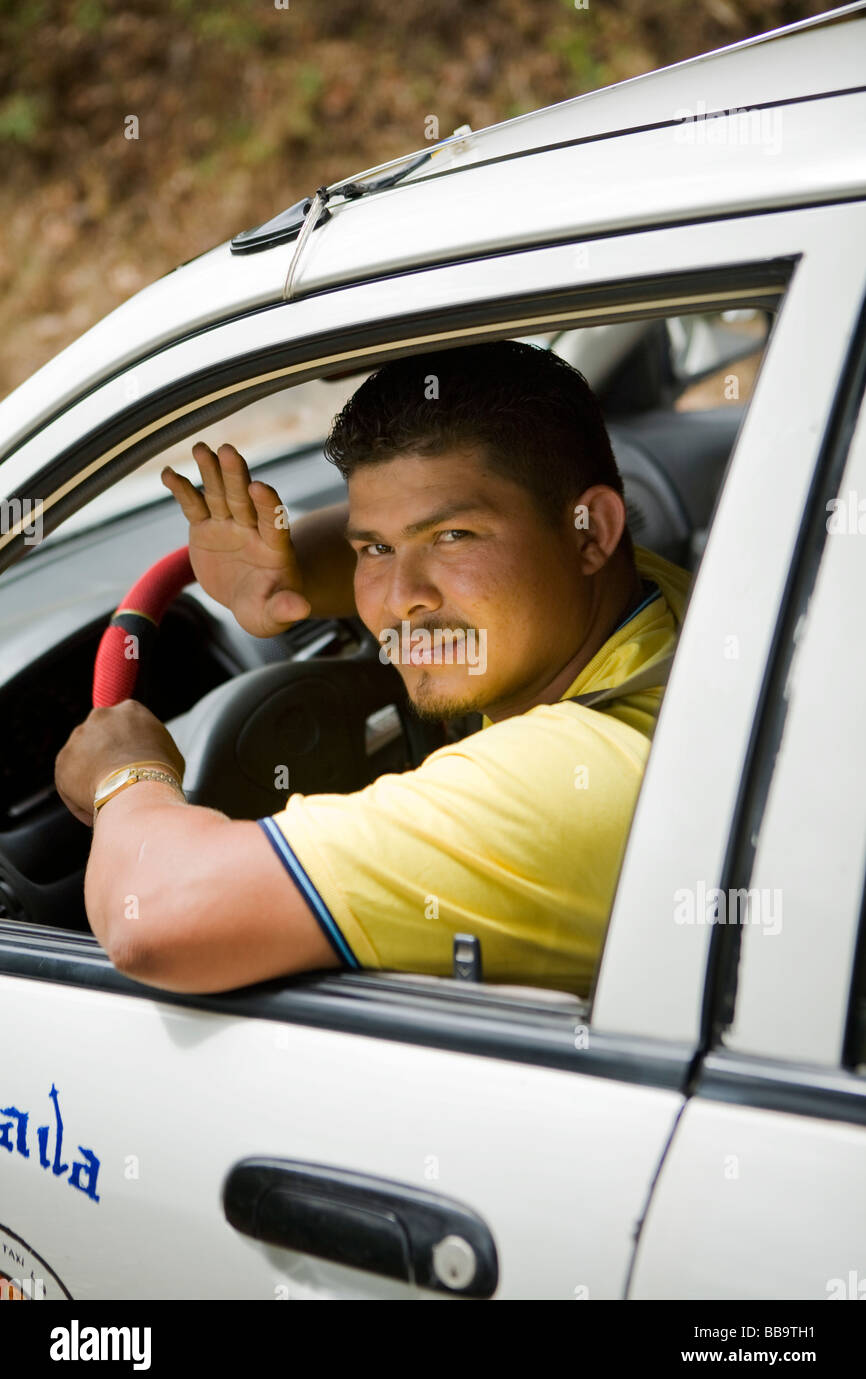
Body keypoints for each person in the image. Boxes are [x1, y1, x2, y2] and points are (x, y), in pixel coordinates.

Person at [55, 341, 691, 997]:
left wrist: (124, 775)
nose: (398, 598)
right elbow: (410, 525)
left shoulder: (557, 788)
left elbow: (156, 919)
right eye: (375, 548)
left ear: (592, 532)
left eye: (453, 537)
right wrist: (289, 573)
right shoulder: (655, 603)